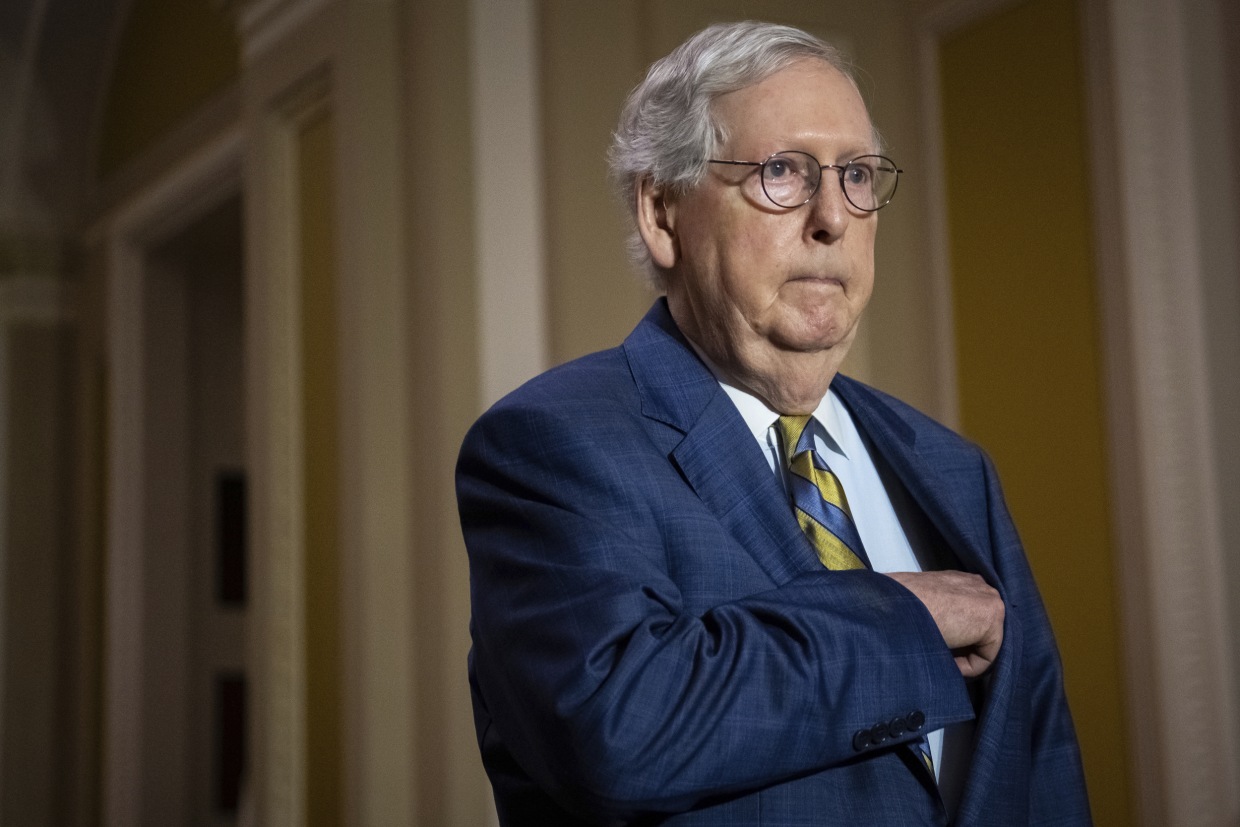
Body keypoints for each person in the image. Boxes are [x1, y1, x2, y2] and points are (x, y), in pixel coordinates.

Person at [456, 20, 1090, 826]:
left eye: (857, 174)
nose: (833, 217)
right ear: (662, 211)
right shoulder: (550, 446)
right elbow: (619, 730)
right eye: (783, 171)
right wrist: (900, 624)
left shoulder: (954, 468)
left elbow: (1044, 775)